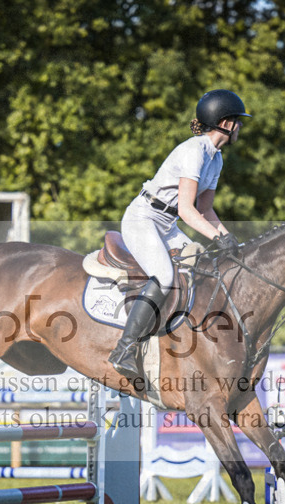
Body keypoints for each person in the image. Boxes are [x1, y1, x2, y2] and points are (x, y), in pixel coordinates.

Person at [108, 89, 250, 376]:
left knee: (201, 270)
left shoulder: (216, 159)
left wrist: (228, 238)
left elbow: (206, 210)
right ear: (224, 123)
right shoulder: (193, 151)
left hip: (167, 225)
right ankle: (124, 348)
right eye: (237, 120)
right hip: (144, 218)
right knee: (164, 277)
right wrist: (216, 237)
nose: (240, 127)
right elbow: (187, 211)